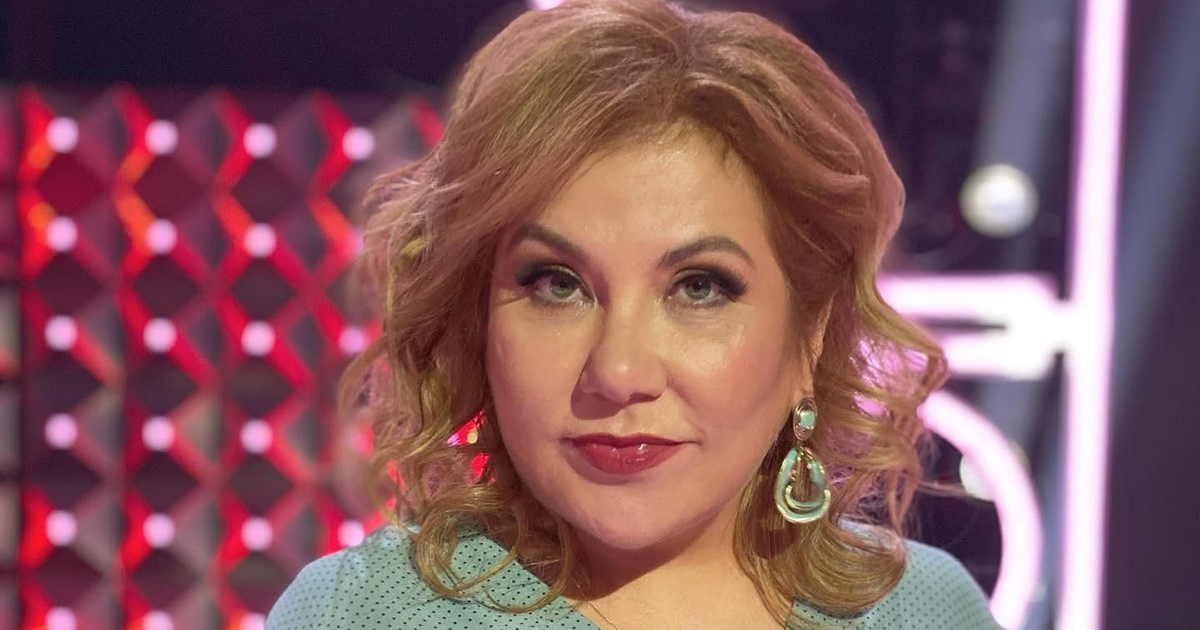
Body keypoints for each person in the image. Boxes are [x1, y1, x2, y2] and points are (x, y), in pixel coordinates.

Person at [266, 0, 1001, 628]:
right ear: (478, 323)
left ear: (810, 336)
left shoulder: (925, 610)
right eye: (557, 284)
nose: (618, 372)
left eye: (700, 288)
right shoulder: (359, 613)